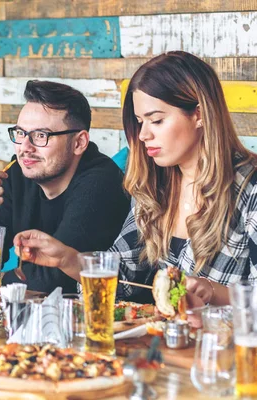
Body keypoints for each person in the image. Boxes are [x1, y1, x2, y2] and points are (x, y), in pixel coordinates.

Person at [13, 51, 257, 306]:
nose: (143, 135)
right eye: (140, 122)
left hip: (227, 343)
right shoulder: (155, 185)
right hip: (159, 340)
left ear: (199, 115)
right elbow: (124, 280)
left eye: (157, 120)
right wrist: (67, 259)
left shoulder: (250, 189)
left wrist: (212, 292)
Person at [0, 80, 130, 294]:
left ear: (79, 143)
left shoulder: (101, 183)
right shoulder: (18, 173)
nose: (25, 148)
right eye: (20, 133)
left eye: (41, 135)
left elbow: (50, 281)